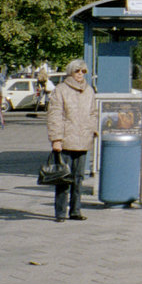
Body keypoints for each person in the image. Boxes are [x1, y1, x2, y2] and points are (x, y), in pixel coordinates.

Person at [46, 59, 98, 223]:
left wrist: (93, 129)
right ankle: (60, 212)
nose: (80, 74)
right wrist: (56, 139)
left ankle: (75, 210)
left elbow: (93, 113)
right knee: (63, 177)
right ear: (70, 72)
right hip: (66, 140)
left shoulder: (89, 91)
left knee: (78, 178)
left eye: (83, 71)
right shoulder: (60, 90)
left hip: (83, 140)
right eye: (77, 71)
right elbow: (55, 116)